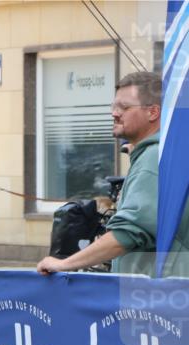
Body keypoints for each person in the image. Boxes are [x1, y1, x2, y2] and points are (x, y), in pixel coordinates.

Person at [38, 72, 165, 277]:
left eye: (123, 107)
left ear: (153, 112)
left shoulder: (153, 158)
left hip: (152, 296)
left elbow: (127, 234)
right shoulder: (157, 154)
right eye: (113, 106)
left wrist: (65, 264)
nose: (114, 113)